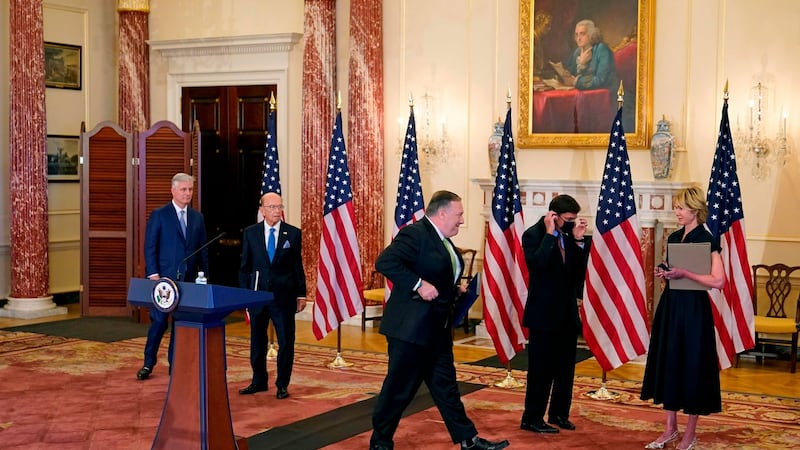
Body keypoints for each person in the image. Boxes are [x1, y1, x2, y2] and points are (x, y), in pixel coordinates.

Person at [370, 191, 509, 450]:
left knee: (446, 388)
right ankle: (380, 442)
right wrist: (418, 284)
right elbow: (385, 262)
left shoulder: (444, 240)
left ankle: (468, 441)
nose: (461, 220)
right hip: (411, 331)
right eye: (459, 214)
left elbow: (438, 273)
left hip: (437, 329)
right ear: (442, 213)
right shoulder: (416, 234)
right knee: (399, 390)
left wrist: (455, 290)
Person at [640, 185, 724, 450]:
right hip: (672, 307)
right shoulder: (675, 236)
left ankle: (690, 433)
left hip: (694, 311)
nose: (676, 211)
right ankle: (669, 429)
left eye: (680, 207)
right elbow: (675, 269)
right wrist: (664, 272)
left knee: (691, 365)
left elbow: (718, 281)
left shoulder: (707, 239)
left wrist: (686, 274)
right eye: (675, 206)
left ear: (695, 210)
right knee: (670, 362)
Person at [520, 194, 589, 434]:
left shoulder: (569, 236)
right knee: (541, 370)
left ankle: (559, 414)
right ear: (554, 216)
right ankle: (532, 418)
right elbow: (537, 265)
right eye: (568, 219)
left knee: (565, 370)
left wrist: (579, 241)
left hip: (567, 314)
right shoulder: (534, 235)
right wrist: (550, 235)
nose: (571, 223)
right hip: (544, 315)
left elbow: (578, 274)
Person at [137, 173, 208, 380]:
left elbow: (202, 250)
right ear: (173, 190)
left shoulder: (197, 217)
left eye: (190, 190)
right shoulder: (160, 215)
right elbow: (150, 246)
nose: (188, 194)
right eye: (184, 190)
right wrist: (153, 275)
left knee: (180, 324)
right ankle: (148, 363)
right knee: (159, 322)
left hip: (188, 282)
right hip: (163, 282)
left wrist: (203, 278)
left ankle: (174, 366)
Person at [238, 192, 307, 400]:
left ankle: (282, 384)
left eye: (279, 207)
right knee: (257, 340)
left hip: (283, 297)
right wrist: (245, 294)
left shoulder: (292, 234)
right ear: (262, 210)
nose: (277, 211)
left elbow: (297, 266)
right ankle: (259, 381)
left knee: (286, 341)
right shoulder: (251, 233)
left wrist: (301, 294)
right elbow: (245, 268)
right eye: (272, 207)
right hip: (258, 297)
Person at [555, 19, 618, 91]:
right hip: (586, 93)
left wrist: (576, 81)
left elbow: (600, 79)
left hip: (609, 94)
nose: (578, 38)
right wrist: (563, 74)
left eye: (582, 34)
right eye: (576, 35)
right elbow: (572, 74)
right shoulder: (577, 52)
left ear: (591, 34)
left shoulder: (601, 49)